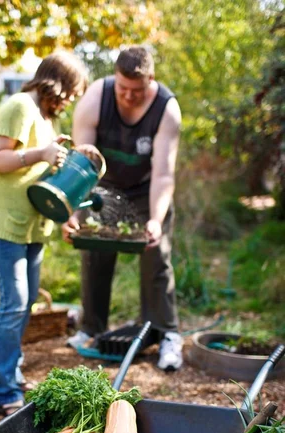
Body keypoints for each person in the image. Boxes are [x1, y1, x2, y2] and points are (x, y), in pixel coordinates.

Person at [0, 51, 88, 416]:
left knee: (24, 306)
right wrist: (39, 153)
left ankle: (12, 373)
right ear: (57, 82)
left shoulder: (46, 118)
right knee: (14, 303)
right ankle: (3, 393)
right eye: (71, 90)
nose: (71, 99)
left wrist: (66, 211)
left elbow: (43, 181)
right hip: (5, 221)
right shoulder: (20, 106)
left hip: (32, 225)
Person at [62, 45, 183, 371]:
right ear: (114, 78)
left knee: (155, 257)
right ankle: (90, 328)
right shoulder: (95, 99)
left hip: (147, 190)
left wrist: (156, 220)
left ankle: (166, 334)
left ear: (151, 80)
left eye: (137, 90)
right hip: (103, 187)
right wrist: (74, 212)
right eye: (122, 88)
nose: (129, 96)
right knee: (95, 251)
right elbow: (80, 164)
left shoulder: (166, 110)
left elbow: (163, 174)